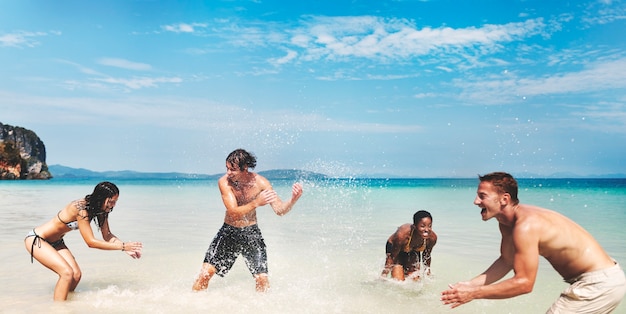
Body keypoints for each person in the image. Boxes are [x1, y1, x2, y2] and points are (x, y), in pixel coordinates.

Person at [441, 172, 626, 313]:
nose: (475, 201)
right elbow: (506, 260)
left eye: (482, 196)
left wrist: (473, 294)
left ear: (504, 199)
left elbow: (524, 283)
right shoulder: (506, 223)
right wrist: (469, 285)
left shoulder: (525, 226)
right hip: (602, 282)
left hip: (598, 284)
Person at [192, 149, 303, 292]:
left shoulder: (261, 183)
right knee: (205, 275)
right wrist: (256, 203)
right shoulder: (224, 182)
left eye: (233, 169)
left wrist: (293, 200)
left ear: (245, 168)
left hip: (251, 234)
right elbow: (233, 212)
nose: (228, 173)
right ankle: (193, 303)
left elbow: (280, 210)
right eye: (227, 168)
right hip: (229, 232)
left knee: (262, 279)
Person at [24, 181, 143, 301]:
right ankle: (58, 310)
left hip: (57, 242)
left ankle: (66, 304)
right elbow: (90, 242)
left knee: (76, 275)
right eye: (111, 201)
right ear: (101, 198)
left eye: (115, 202)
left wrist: (126, 249)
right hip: (37, 239)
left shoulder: (100, 210)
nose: (113, 205)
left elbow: (107, 235)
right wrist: (122, 246)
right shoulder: (80, 209)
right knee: (66, 273)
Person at [381, 210, 437, 281]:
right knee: (399, 282)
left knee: (415, 280)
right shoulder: (402, 235)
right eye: (422, 226)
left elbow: (426, 256)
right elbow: (392, 257)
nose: (427, 230)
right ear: (414, 226)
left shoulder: (432, 238)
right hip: (395, 251)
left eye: (429, 226)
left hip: (413, 251)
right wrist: (384, 275)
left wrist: (427, 271)